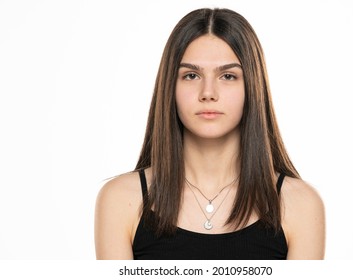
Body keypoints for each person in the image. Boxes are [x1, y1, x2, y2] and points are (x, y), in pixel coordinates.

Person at [94, 7, 325, 260]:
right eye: (191, 75)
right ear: (170, 86)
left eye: (228, 76)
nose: (208, 92)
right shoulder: (120, 201)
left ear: (252, 88)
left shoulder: (300, 206)